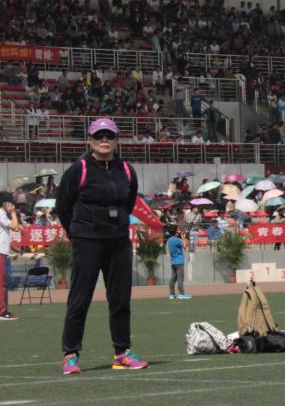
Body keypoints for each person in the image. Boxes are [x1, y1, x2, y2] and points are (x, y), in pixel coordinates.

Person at [53, 117, 147, 374]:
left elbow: (128, 203)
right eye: (99, 136)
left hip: (118, 242)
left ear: (117, 141)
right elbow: (62, 206)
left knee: (120, 300)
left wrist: (115, 226)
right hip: (87, 241)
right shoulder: (79, 169)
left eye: (109, 136)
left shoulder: (126, 170)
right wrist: (78, 234)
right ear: (90, 140)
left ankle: (122, 353)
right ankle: (71, 354)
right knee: (79, 299)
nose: (104, 141)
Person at [0, 193, 18, 321]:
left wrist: (11, 246)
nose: (11, 205)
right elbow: (15, 227)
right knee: (2, 283)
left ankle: (3, 310)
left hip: (3, 251)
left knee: (2, 283)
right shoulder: (1, 213)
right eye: (9, 203)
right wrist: (13, 213)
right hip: (0, 252)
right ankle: (2, 311)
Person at [166, 226, 192, 300]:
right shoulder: (177, 240)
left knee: (173, 278)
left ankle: (172, 294)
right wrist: (183, 237)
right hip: (179, 261)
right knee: (180, 278)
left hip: (173, 261)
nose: (178, 231)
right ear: (175, 232)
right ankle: (181, 293)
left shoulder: (169, 240)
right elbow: (185, 246)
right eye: (177, 230)